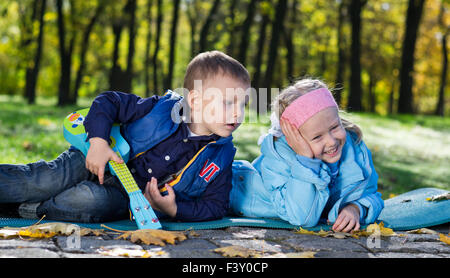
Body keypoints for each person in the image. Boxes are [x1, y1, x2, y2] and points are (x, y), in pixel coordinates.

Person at [0, 51, 250, 223]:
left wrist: (173, 209)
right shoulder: (159, 108)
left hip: (126, 197)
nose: (237, 113)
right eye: (228, 103)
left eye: (244, 104)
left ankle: (27, 209)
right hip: (96, 156)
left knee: (88, 202)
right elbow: (108, 101)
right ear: (194, 100)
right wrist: (98, 141)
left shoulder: (221, 156)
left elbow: (216, 206)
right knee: (46, 179)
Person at [230, 78, 384, 232]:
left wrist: (355, 208)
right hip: (237, 192)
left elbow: (372, 194)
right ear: (294, 140)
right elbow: (302, 218)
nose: (331, 141)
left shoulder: (355, 151)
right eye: (317, 137)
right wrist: (305, 161)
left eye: (335, 127)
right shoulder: (279, 158)